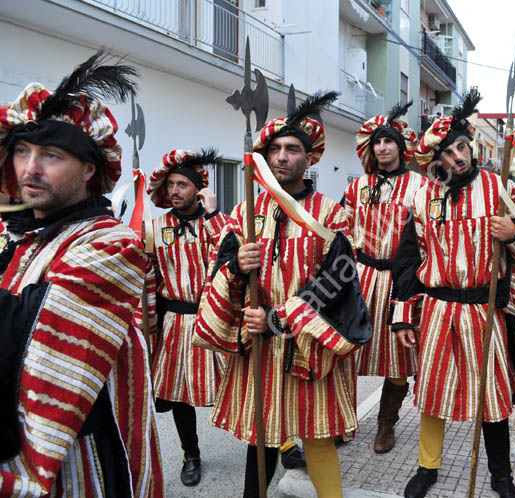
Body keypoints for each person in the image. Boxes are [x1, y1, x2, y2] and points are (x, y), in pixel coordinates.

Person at [0, 52, 163, 496]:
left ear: (89, 169)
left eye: (50, 155)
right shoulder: (19, 237)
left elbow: (41, 328)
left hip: (85, 454)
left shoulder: (111, 243)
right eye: (22, 151)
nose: (30, 169)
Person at [193, 90, 371, 498]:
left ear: (309, 159)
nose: (282, 157)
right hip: (258, 346)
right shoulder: (244, 213)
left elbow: (338, 279)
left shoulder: (331, 214)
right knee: (262, 432)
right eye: (275, 149)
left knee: (318, 435)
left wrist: (279, 319)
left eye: (293, 149)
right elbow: (219, 272)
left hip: (309, 343)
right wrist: (238, 266)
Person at [391, 89, 515, 498]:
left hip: (484, 310)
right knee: (431, 392)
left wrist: (514, 235)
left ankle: (501, 474)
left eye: (462, 146)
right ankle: (427, 468)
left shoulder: (500, 190)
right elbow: (409, 260)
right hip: (439, 310)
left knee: (490, 395)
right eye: (447, 152)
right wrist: (404, 315)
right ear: (433, 162)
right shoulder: (423, 197)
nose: (458, 158)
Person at [343, 101, 425, 453]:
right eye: (377, 141)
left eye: (389, 140)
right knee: (345, 350)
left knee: (398, 355)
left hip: (400, 279)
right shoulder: (356, 187)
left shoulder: (419, 186)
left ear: (401, 146)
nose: (382, 147)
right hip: (359, 276)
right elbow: (343, 232)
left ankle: (385, 425)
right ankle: (342, 421)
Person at [144, 148, 228, 486]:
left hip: (215, 317)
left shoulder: (215, 222)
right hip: (176, 323)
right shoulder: (153, 228)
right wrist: (150, 327)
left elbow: (230, 253)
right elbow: (149, 280)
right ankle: (190, 455)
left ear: (198, 189)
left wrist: (213, 212)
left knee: (246, 382)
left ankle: (276, 443)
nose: (175, 191)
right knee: (180, 394)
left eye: (183, 184)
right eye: (171, 185)